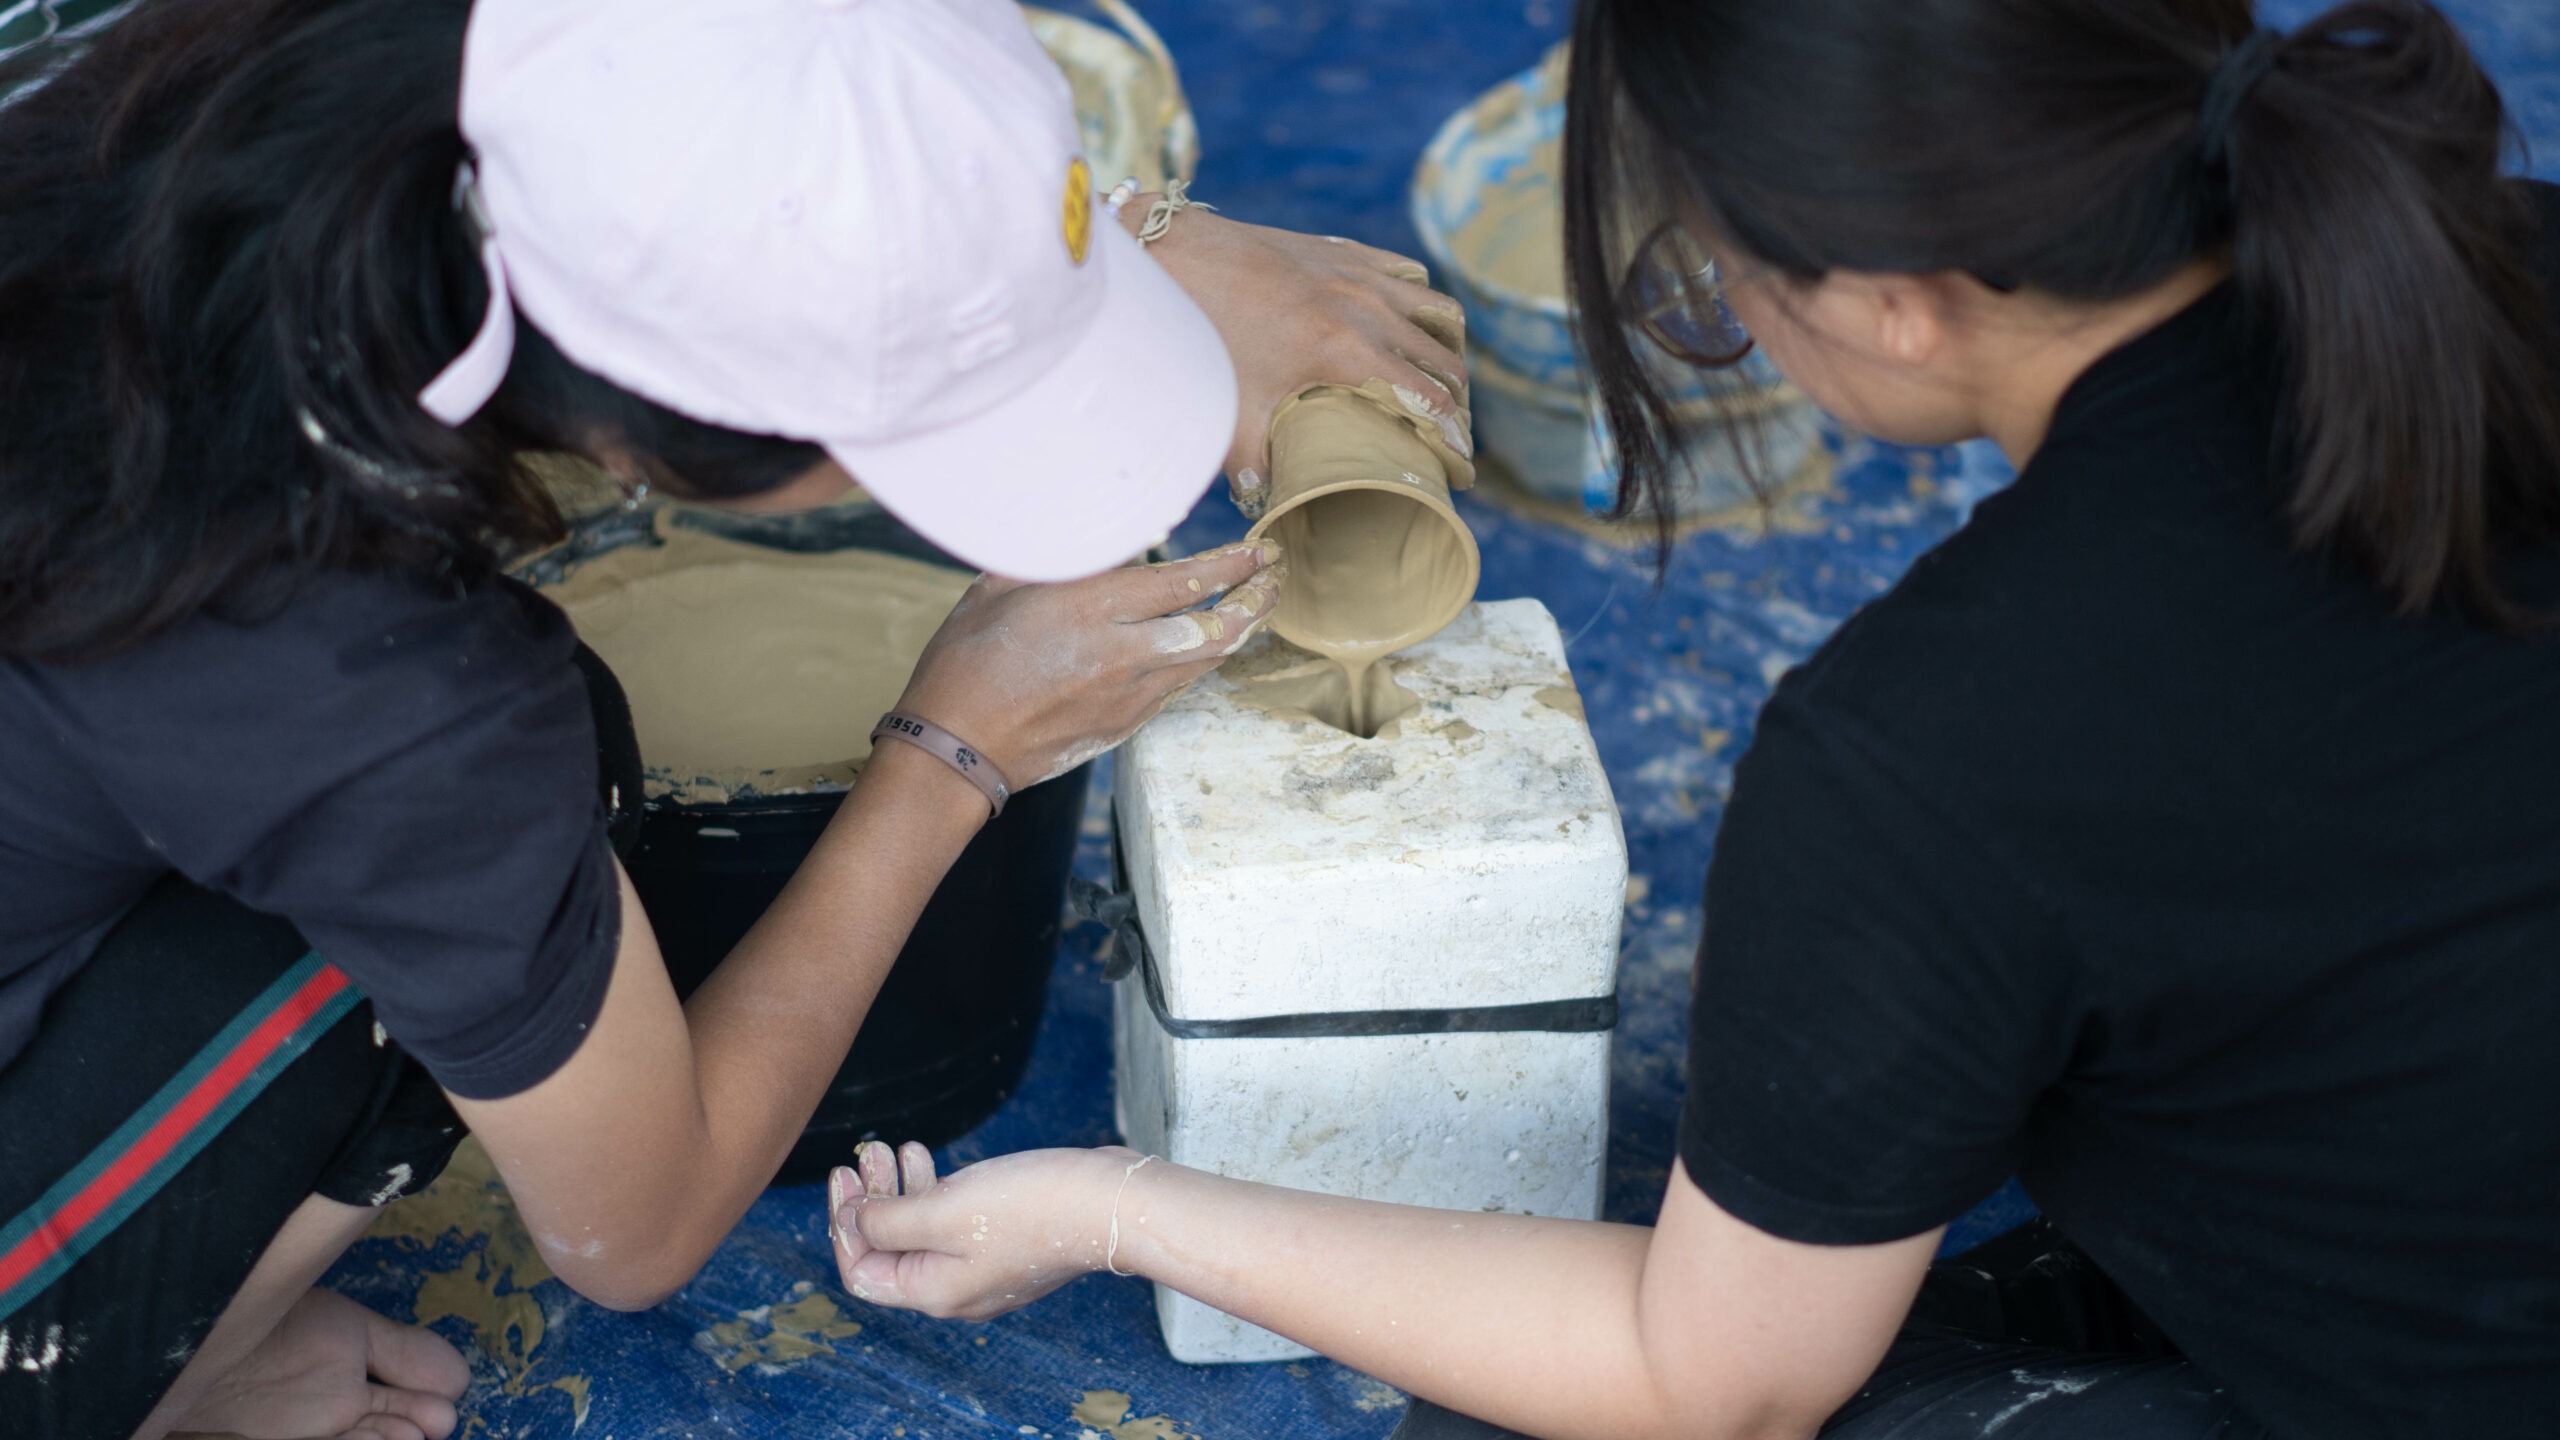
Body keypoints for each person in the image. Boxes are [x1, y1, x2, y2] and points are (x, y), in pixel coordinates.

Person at [823, 2, 2560, 1437]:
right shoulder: (2511, 260)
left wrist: (1108, 1205)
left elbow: (1712, 1387)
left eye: (1716, 263)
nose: (1708, 300)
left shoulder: (1932, 752)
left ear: (1888, 294)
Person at [0, 0, 1476, 1433]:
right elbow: (631, 1235)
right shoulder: (386, 686)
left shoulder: (192, 80)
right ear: (653, 447)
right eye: (926, 444)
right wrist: (951, 755)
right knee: (475, 876)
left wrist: (1114, 241)